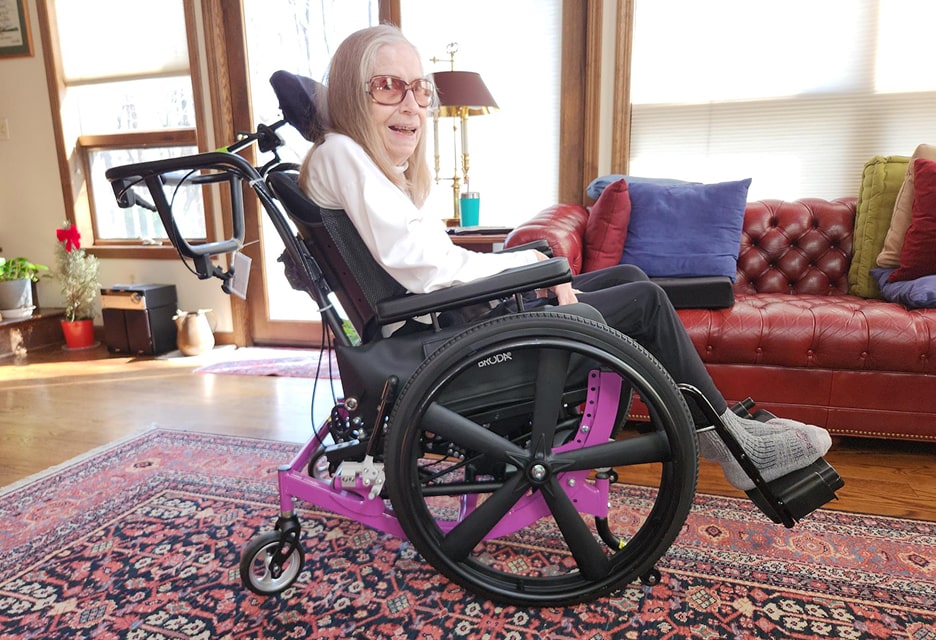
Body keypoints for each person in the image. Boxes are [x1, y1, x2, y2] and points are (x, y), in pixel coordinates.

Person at [299, 24, 831, 492]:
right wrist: (532, 269)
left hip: (448, 329)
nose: (411, 103)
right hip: (440, 353)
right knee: (642, 300)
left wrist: (529, 268)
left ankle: (726, 424)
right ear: (352, 91)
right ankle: (732, 445)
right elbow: (429, 270)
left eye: (419, 88)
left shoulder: (362, 166)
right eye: (389, 87)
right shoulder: (341, 152)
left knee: (626, 276)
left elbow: (428, 263)